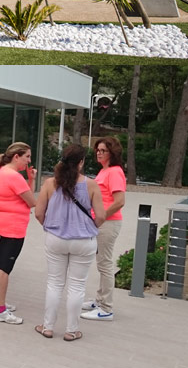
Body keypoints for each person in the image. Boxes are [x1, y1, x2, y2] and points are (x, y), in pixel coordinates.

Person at [35, 144, 105, 342]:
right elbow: (100, 215)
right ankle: (72, 330)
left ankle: (47, 326)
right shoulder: (91, 185)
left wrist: (49, 225)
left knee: (54, 283)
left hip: (56, 238)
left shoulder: (50, 183)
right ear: (81, 162)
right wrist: (90, 225)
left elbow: (39, 213)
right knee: (77, 286)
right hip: (83, 240)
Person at [80, 137, 126, 322]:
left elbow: (120, 201)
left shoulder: (114, 172)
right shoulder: (104, 171)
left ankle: (106, 307)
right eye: (97, 150)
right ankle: (100, 300)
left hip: (108, 223)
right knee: (101, 263)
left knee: (105, 264)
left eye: (103, 150)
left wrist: (101, 218)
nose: (98, 153)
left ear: (112, 153)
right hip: (100, 222)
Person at [0, 142, 36, 324]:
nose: (29, 161)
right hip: (14, 226)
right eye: (27, 157)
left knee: (0, 264)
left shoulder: (1, 172)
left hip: (5, 223)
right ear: (16, 156)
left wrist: (30, 179)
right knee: (5, 268)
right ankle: (0, 310)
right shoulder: (14, 176)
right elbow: (32, 201)